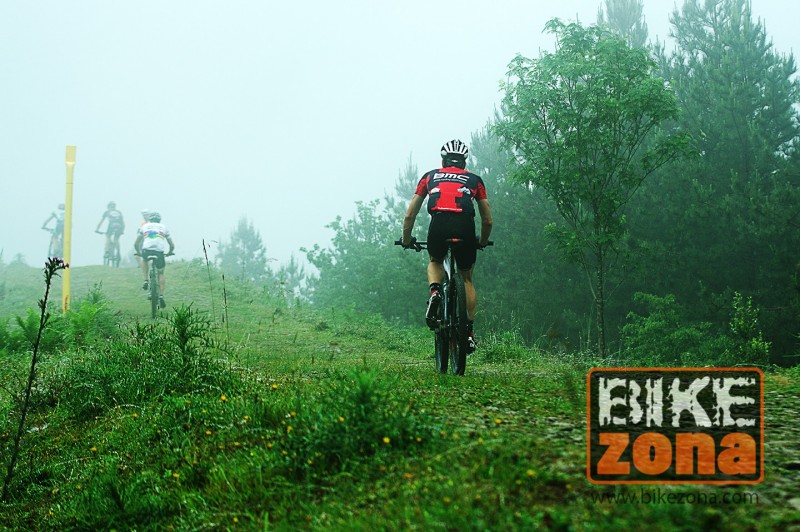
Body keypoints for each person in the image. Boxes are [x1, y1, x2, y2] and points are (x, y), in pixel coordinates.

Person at [401, 139, 493, 353]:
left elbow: (409, 214)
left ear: (443, 161)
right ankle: (468, 333)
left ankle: (435, 291)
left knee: (435, 260)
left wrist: (407, 240)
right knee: (467, 276)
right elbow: (487, 220)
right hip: (465, 227)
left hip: (439, 225)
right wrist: (481, 241)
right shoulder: (474, 180)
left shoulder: (429, 177)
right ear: (464, 162)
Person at [134, 211, 175, 309]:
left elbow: (136, 244)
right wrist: (169, 252)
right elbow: (172, 245)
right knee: (161, 273)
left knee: (144, 260)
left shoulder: (144, 226)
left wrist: (139, 252)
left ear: (150, 219)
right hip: (159, 252)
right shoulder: (163, 227)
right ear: (159, 220)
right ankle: (161, 295)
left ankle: (145, 280)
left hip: (146, 250)